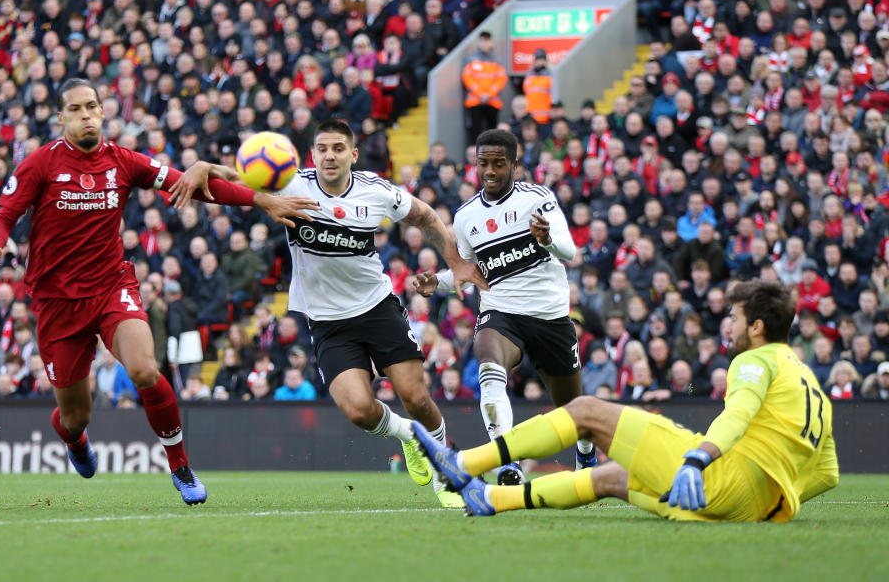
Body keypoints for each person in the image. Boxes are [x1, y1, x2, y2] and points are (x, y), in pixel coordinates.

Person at [0, 78, 319, 505]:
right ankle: (75, 438)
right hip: (57, 303)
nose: (86, 115)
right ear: (61, 117)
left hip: (110, 286)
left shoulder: (123, 161)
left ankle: (180, 466)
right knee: (74, 416)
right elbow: (4, 214)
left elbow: (194, 186)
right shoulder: (40, 165)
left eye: (92, 106)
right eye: (76, 109)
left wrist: (262, 201)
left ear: (103, 112)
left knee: (144, 370)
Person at [414, 280, 840, 522]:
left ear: (759, 327)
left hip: (719, 480)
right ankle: (490, 500)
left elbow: (738, 416)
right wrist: (772, 498)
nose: (728, 325)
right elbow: (827, 474)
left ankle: (464, 464)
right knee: (612, 478)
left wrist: (699, 460)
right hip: (756, 508)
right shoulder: (808, 381)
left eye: (736, 318)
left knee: (584, 410)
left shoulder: (755, 361)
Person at [277, 119, 487, 507]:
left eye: (338, 148)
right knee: (358, 410)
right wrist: (206, 169)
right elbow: (235, 185)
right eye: (322, 148)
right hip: (327, 323)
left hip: (377, 309)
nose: (329, 155)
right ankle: (411, 437)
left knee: (417, 399)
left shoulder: (376, 191)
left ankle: (446, 474)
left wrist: (456, 263)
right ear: (312, 155)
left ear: (353, 155)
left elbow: (425, 216)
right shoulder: (291, 185)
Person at [414, 129, 594, 486]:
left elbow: (570, 251)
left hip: (549, 315)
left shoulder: (538, 198)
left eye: (499, 163)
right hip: (501, 312)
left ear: (514, 164)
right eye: (483, 163)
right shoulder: (466, 217)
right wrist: (440, 282)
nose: (490, 171)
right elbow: (472, 273)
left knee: (574, 409)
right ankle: (505, 459)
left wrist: (547, 241)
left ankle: (586, 453)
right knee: (487, 359)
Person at [462, 32, 508, 146]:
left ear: (491, 42)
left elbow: (501, 78)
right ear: (478, 42)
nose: (485, 44)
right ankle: (475, 155)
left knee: (492, 132)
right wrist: (480, 94)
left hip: (492, 101)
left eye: (487, 41)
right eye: (482, 41)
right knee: (475, 130)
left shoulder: (497, 60)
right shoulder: (471, 59)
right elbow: (467, 77)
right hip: (475, 101)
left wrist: (489, 94)